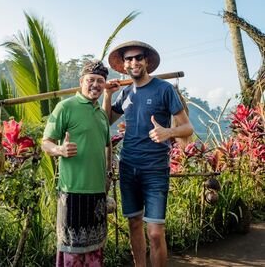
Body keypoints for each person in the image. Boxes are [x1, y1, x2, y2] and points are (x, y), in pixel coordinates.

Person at [102, 41, 193, 267]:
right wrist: (107, 96)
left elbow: (187, 128)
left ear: (146, 61)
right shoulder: (125, 93)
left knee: (154, 232)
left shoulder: (164, 89)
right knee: (134, 224)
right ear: (124, 65)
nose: (134, 62)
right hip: (128, 167)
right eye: (129, 59)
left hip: (154, 168)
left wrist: (168, 132)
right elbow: (105, 123)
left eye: (138, 57)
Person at [42, 60, 112, 267]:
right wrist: (59, 150)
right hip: (72, 192)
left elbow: (107, 146)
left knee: (95, 252)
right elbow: (46, 142)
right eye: (91, 80)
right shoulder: (65, 107)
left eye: (101, 81)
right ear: (81, 81)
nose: (96, 84)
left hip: (98, 192)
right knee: (71, 251)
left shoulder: (101, 114)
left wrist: (108, 173)